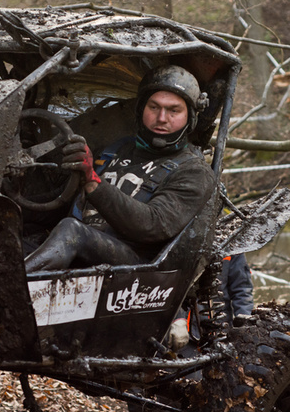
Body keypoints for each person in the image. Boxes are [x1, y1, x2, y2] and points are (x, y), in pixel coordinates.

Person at [24, 65, 215, 272]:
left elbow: (153, 224)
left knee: (72, 231)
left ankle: (14, 287)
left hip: (137, 268)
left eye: (173, 110)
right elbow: (66, 201)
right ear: (141, 109)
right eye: (154, 107)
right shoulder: (116, 149)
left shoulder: (194, 171)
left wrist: (91, 180)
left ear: (190, 118)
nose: (161, 118)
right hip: (80, 247)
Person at [130, 251, 255, 412]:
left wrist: (243, 320)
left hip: (205, 334)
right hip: (158, 324)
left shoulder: (232, 246)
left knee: (184, 397)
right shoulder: (177, 237)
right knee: (137, 395)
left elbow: (241, 289)